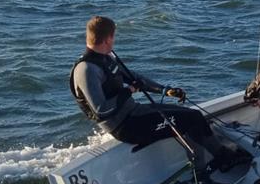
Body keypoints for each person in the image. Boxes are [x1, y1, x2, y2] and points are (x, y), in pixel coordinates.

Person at [70, 15, 234, 170]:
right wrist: (129, 91)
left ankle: (222, 156)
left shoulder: (106, 58)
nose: (114, 41)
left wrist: (165, 90)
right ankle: (207, 174)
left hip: (135, 112)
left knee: (194, 115)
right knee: (190, 120)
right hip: (126, 127)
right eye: (114, 37)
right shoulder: (87, 70)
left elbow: (134, 78)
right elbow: (101, 108)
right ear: (107, 39)